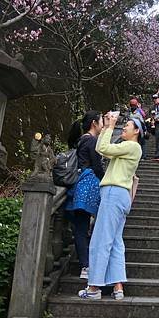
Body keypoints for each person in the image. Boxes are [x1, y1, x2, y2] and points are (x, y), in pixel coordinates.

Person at [78, 113, 142, 300]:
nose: (125, 128)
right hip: (120, 195)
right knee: (114, 242)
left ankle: (94, 287)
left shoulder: (131, 146)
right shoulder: (129, 147)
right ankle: (117, 286)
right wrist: (107, 128)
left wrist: (110, 126)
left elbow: (103, 148)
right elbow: (101, 147)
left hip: (114, 193)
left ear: (136, 131)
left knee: (101, 239)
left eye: (128, 126)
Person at [66, 111, 104, 280]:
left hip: (79, 185)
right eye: (101, 120)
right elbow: (97, 167)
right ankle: (86, 266)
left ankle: (85, 264)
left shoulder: (82, 140)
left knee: (81, 228)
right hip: (88, 186)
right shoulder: (92, 141)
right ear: (95, 123)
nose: (103, 123)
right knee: (82, 228)